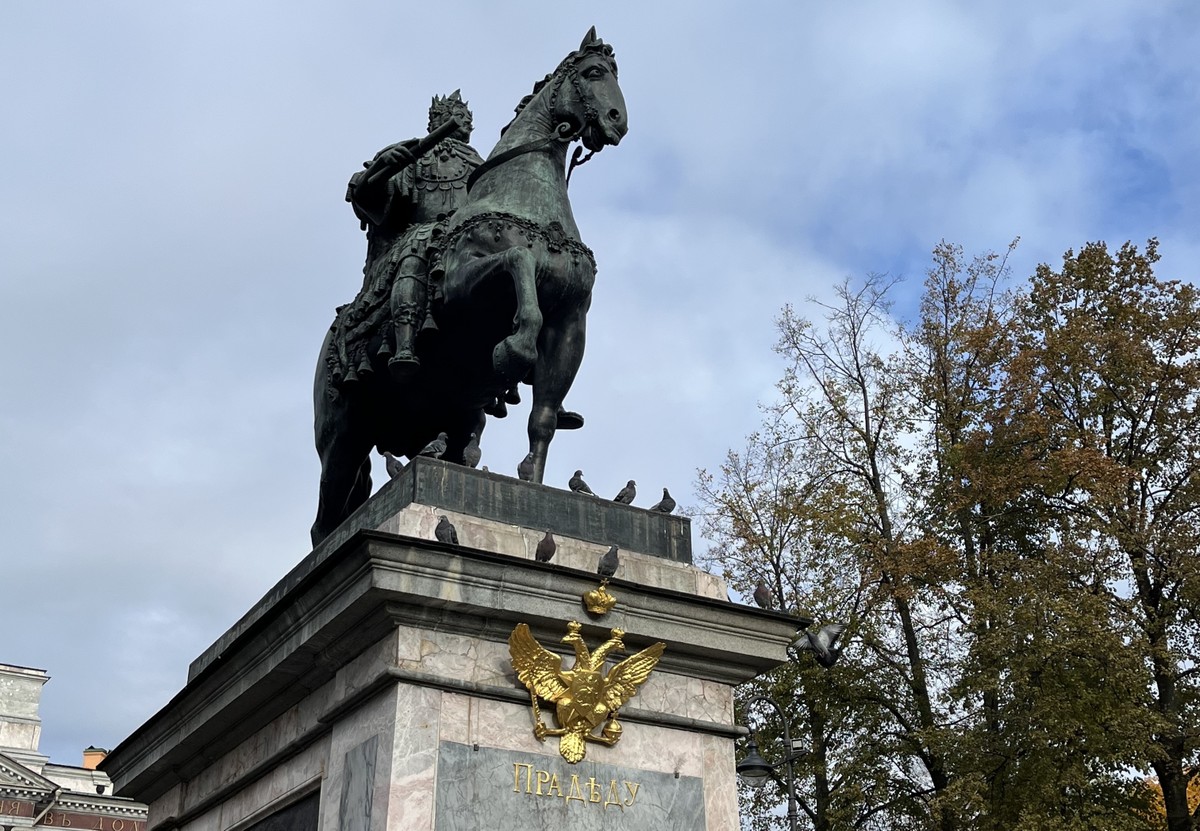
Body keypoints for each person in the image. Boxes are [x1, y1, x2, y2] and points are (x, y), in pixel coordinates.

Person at [331, 90, 483, 384]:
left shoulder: (480, 163)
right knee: (413, 257)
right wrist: (381, 165)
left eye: (468, 119)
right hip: (422, 234)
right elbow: (368, 195)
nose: (464, 123)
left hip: (468, 237)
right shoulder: (416, 155)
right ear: (436, 120)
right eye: (457, 116)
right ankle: (405, 344)